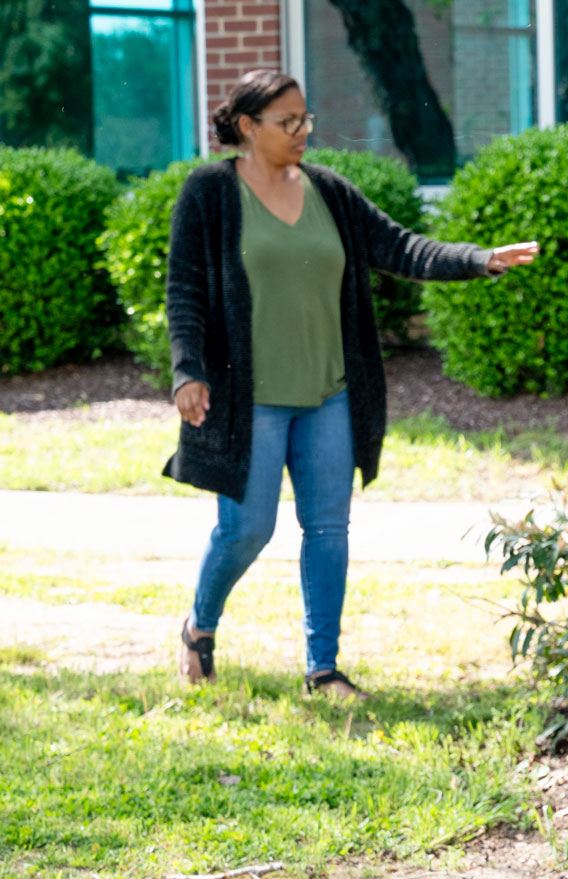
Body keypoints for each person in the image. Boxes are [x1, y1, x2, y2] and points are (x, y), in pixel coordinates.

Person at [167, 70, 538, 698]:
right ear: (248, 127)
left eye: (306, 119)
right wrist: (188, 370)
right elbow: (185, 291)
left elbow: (401, 247)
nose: (303, 131)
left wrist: (478, 259)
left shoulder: (328, 192)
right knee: (246, 529)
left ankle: (323, 667)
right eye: (289, 122)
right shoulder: (209, 191)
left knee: (329, 530)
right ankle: (199, 627)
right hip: (249, 399)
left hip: (329, 394)